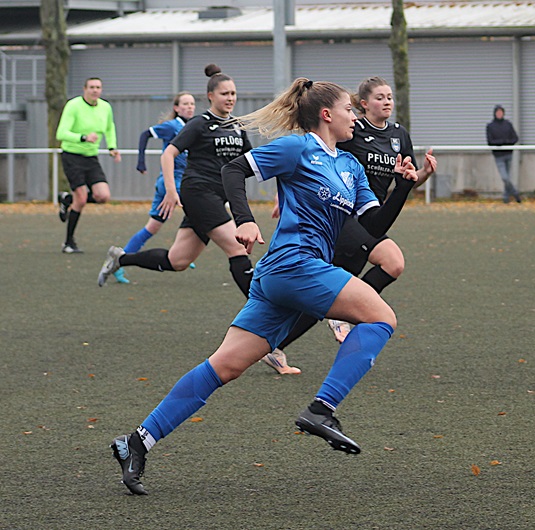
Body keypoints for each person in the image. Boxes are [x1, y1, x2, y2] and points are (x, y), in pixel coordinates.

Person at [108, 77, 418, 495]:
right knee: (381, 317)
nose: (355, 116)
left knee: (226, 366)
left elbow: (372, 227)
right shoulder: (297, 148)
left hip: (288, 276)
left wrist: (404, 186)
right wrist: (245, 219)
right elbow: (233, 169)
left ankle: (136, 442)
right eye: (350, 109)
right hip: (294, 265)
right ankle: (321, 409)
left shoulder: (349, 167)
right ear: (327, 115)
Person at [261, 76, 437, 375]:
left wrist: (422, 174)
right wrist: (286, 194)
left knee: (319, 298)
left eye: (390, 96)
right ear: (363, 103)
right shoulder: (351, 130)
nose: (388, 102)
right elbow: (312, 158)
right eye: (380, 97)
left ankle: (275, 346)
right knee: (392, 261)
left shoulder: (399, 135)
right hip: (343, 216)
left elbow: (405, 179)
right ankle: (344, 314)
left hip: (371, 214)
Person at [97, 64, 255, 296]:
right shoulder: (199, 123)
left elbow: (249, 162)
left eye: (233, 93)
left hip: (215, 199)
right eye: (224, 94)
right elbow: (168, 154)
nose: (230, 98)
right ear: (211, 96)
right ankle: (263, 315)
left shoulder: (237, 127)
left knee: (178, 260)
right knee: (238, 249)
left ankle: (121, 259)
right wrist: (171, 191)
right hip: (199, 193)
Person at [113, 92, 197, 284]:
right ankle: (185, 251)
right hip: (171, 182)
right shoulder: (172, 126)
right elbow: (145, 135)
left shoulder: (192, 125)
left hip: (177, 181)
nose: (190, 107)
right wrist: (141, 162)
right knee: (198, 206)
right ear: (176, 108)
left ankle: (120, 261)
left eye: (192, 103)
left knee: (152, 227)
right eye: (185, 103)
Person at [56, 77, 122, 253]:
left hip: (90, 157)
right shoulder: (73, 105)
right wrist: (83, 137)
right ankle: (68, 243)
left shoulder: (105, 107)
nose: (95, 90)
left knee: (103, 196)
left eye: (98, 87)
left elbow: (109, 127)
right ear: (84, 89)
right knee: (82, 199)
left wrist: (112, 147)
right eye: (92, 87)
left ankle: (66, 199)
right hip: (72, 155)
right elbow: (61, 133)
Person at [485, 104, 521, 204]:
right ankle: (515, 193)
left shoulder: (508, 124)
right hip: (498, 156)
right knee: (505, 177)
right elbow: (490, 141)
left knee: (507, 177)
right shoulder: (490, 126)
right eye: (498, 112)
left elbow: (515, 138)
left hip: (509, 154)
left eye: (501, 112)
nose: (499, 114)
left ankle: (506, 198)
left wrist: (506, 142)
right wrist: (501, 142)